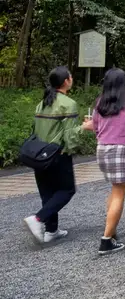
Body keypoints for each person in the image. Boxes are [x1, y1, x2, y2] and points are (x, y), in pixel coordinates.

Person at [87, 68, 125, 256]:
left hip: (102, 150)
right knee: (120, 193)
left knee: (114, 190)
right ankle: (106, 241)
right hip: (122, 150)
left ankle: (111, 231)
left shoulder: (100, 103)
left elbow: (95, 127)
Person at [23, 66, 83, 246]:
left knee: (47, 192)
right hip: (58, 154)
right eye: (70, 76)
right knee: (67, 190)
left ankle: (51, 231)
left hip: (39, 154)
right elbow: (70, 134)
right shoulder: (68, 103)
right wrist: (83, 130)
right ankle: (39, 219)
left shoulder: (42, 103)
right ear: (66, 81)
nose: (71, 78)